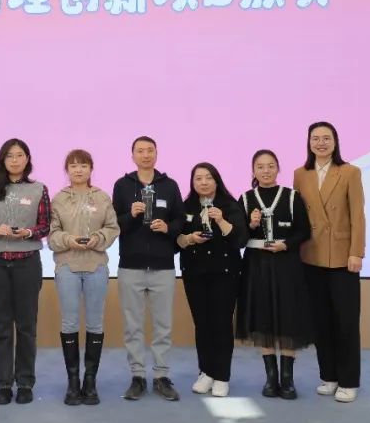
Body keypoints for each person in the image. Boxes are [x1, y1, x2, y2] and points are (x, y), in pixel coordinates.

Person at [292, 122, 366, 403]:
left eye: (326, 138)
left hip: (342, 257)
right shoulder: (301, 174)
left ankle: (349, 380)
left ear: (335, 142)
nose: (321, 143)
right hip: (311, 255)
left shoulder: (349, 172)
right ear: (308, 143)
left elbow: (357, 215)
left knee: (345, 321)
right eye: (315, 138)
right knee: (320, 321)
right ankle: (329, 376)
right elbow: (298, 215)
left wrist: (356, 252)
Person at [0, 139, 51, 405]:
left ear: (27, 159)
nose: (15, 160)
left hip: (27, 262)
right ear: (3, 160)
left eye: (20, 155)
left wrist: (29, 232)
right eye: (10, 156)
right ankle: (4, 384)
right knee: (1, 325)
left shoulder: (38, 189)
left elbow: (45, 225)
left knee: (26, 325)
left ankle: (25, 383)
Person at [111, 136, 185, 401]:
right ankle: (138, 376)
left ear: (156, 153)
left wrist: (168, 228)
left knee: (163, 325)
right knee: (133, 326)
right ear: (132, 155)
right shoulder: (122, 186)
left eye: (150, 150)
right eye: (140, 151)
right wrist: (130, 215)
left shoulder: (170, 185)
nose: (145, 155)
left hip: (163, 266)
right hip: (130, 266)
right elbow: (113, 224)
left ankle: (161, 376)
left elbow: (181, 221)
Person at [237, 150, 312, 399]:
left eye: (270, 166)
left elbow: (304, 231)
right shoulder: (245, 199)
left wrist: (286, 245)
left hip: (286, 265)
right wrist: (251, 225)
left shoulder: (292, 197)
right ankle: (271, 378)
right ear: (253, 171)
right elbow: (238, 238)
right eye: (260, 166)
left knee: (288, 316)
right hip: (256, 265)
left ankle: (288, 380)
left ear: (278, 168)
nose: (266, 171)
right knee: (263, 318)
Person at [48, 149, 121, 405]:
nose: (78, 170)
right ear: (66, 170)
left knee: (95, 323)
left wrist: (98, 239)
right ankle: (73, 382)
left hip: (96, 266)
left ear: (91, 169)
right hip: (67, 266)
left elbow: (112, 227)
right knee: (69, 323)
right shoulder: (58, 199)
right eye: (73, 166)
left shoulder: (102, 197)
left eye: (83, 165)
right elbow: (52, 234)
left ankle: (90, 382)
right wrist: (68, 239)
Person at [176, 162, 245, 398]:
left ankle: (222, 376)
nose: (203, 182)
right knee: (202, 324)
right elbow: (176, 239)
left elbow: (240, 239)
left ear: (217, 180)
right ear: (192, 182)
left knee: (221, 324)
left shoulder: (230, 205)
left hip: (224, 274)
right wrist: (190, 238)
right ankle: (206, 371)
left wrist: (222, 221)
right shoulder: (186, 206)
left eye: (208, 177)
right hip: (194, 273)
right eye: (198, 178)